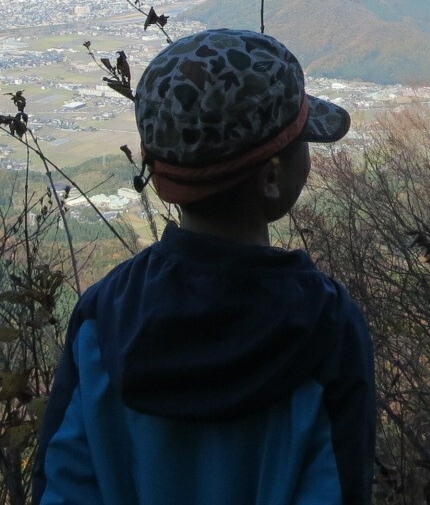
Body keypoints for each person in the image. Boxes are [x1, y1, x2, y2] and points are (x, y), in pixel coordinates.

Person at [32, 28, 375, 505]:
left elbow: (65, 485)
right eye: (302, 141)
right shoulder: (327, 326)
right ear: (272, 178)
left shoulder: (104, 315)